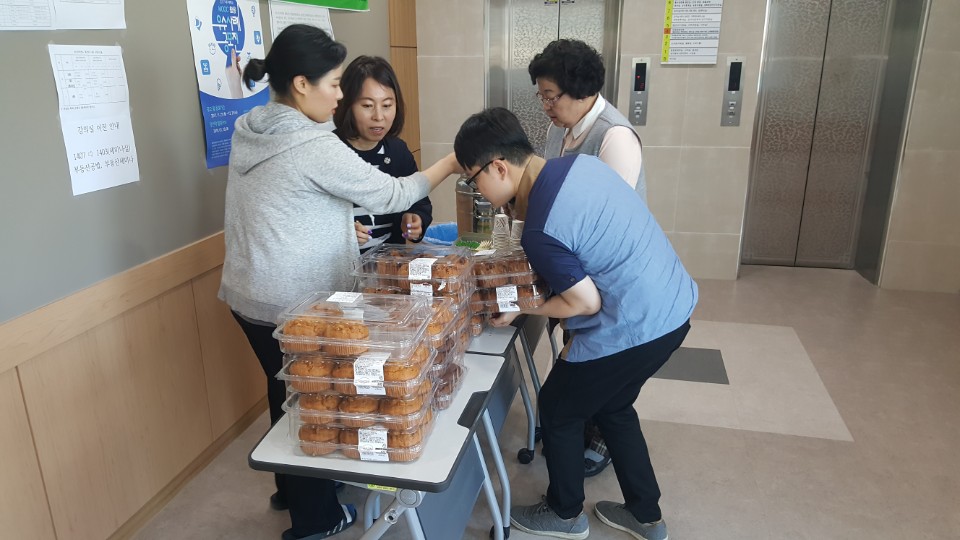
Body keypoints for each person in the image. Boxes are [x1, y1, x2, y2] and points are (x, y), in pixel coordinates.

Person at [218, 25, 461, 540]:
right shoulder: (311, 142)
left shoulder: (253, 127)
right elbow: (394, 195)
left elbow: (286, 205)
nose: (339, 96)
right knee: (314, 397)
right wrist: (452, 161)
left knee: (288, 386)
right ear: (301, 84)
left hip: (247, 292)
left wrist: (333, 225)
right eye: (333, 84)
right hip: (292, 300)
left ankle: (291, 488)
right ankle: (316, 519)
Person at [454, 108, 697, 540]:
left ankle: (564, 514)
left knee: (559, 407)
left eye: (474, 181)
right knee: (613, 406)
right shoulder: (579, 167)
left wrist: (525, 306)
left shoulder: (542, 227)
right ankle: (645, 515)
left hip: (634, 326)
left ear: (499, 167)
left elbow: (585, 303)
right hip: (674, 308)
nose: (479, 193)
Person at [528, 38, 648, 477]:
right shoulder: (558, 129)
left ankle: (597, 437)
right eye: (542, 96)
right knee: (577, 345)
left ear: (580, 90)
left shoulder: (615, 137)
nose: (545, 105)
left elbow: (604, 221)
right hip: (577, 266)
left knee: (602, 354)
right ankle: (573, 426)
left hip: (611, 270)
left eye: (551, 96)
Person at [333, 55, 432, 252]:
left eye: (387, 105)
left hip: (389, 263)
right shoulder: (331, 151)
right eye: (367, 106)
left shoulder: (398, 151)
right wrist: (340, 233)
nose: (378, 116)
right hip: (341, 266)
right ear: (347, 105)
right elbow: (312, 218)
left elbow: (419, 201)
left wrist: (415, 219)